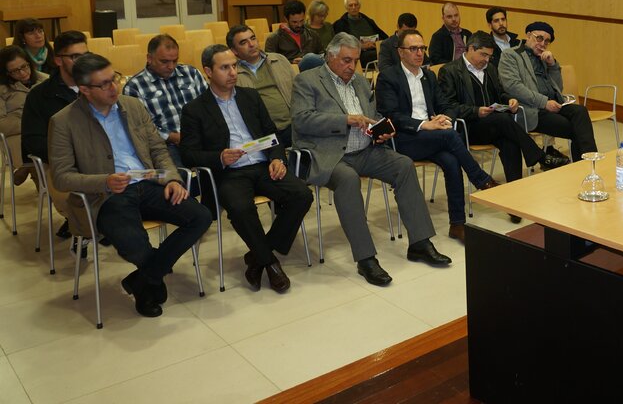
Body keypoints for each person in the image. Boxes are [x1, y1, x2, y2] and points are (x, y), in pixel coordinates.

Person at [48, 53, 212, 318]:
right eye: (104, 84)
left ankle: (143, 280)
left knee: (200, 216)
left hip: (149, 182)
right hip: (107, 196)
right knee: (134, 243)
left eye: (113, 78)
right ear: (85, 90)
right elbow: (61, 177)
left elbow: (158, 149)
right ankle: (150, 281)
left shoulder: (132, 106)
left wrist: (171, 178)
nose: (113, 87)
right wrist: (105, 181)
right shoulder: (64, 121)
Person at [291, 33, 452, 285]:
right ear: (330, 57)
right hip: (331, 155)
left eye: (355, 61)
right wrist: (345, 120)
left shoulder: (360, 82)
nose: (351, 67)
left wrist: (381, 130)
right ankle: (366, 258)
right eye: (346, 60)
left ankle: (420, 243)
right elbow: (302, 120)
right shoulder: (307, 80)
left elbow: (373, 115)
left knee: (403, 165)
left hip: (367, 150)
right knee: (348, 179)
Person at [180, 45, 313, 293]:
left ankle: (257, 255)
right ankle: (270, 263)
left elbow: (271, 134)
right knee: (241, 208)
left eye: (234, 66)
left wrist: (277, 159)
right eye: (224, 67)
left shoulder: (250, 96)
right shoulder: (194, 109)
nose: (232, 72)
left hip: (263, 165)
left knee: (302, 194)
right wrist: (219, 157)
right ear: (208, 71)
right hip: (229, 173)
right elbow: (188, 154)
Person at [376, 29, 498, 242]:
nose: (419, 53)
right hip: (403, 139)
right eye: (413, 49)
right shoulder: (388, 77)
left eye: (422, 48)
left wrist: (444, 117)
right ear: (401, 52)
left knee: (452, 161)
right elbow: (391, 115)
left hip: (431, 138)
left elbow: (446, 104)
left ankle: (457, 224)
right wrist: (425, 125)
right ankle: (480, 179)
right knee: (450, 136)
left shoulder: (429, 76)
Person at [438, 31, 569, 189]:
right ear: (471, 49)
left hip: (494, 125)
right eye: (483, 55)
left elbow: (500, 93)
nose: (486, 60)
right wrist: (476, 111)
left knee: (510, 142)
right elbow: (448, 106)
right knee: (504, 120)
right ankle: (540, 157)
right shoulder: (450, 71)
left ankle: (515, 191)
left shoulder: (490, 68)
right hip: (469, 127)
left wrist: (509, 101)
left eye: (489, 56)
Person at [21, 30, 88, 238]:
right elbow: (34, 141)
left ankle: (96, 225)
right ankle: (84, 226)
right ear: (58, 60)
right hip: (61, 163)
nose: (83, 62)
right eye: (75, 57)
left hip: (102, 158)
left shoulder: (98, 86)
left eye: (85, 55)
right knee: (75, 198)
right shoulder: (40, 95)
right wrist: (71, 155)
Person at [497, 21, 597, 162]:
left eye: (547, 41)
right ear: (528, 35)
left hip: (554, 104)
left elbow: (558, 88)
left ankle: (587, 163)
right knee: (578, 129)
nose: (542, 44)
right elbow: (512, 86)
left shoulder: (543, 57)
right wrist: (544, 103)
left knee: (580, 111)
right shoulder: (510, 55)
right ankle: (589, 164)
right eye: (539, 38)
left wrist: (552, 65)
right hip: (533, 109)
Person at [121, 35, 207, 167]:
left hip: (201, 136)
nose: (171, 66)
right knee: (178, 174)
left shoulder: (191, 73)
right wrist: (172, 137)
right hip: (166, 145)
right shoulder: (135, 87)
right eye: (164, 61)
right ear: (149, 58)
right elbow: (141, 128)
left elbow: (208, 105)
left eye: (175, 60)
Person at [228, 24, 296, 148]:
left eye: (253, 38)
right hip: (260, 136)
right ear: (234, 51)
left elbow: (300, 92)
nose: (251, 44)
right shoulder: (232, 74)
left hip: (291, 126)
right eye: (244, 42)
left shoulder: (279, 60)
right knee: (258, 150)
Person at [0, 46, 49, 186]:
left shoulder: (45, 80)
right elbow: (2, 124)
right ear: (6, 73)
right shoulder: (2, 90)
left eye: (24, 66)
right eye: (15, 71)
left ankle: (28, 168)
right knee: (35, 152)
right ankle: (35, 174)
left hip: (46, 130)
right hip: (16, 135)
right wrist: (28, 121)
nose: (22, 73)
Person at [331, 0, 387, 71]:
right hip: (358, 54)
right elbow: (341, 46)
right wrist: (362, 46)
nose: (354, 7)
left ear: (359, 6)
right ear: (346, 7)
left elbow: (384, 37)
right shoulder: (340, 24)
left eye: (356, 5)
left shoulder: (368, 21)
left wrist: (376, 43)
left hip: (374, 49)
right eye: (350, 5)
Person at [265, 0, 322, 65]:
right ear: (286, 19)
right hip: (288, 70)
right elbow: (270, 63)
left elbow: (322, 56)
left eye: (301, 21)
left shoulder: (313, 35)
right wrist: (291, 62)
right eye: (294, 22)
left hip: (311, 70)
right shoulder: (274, 39)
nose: (299, 25)